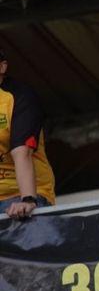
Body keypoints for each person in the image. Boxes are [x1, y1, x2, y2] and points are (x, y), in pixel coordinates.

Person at [0, 50, 56, 220]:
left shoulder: (20, 96)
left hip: (22, 195)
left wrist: (28, 200)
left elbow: (22, 152)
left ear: (2, 67)